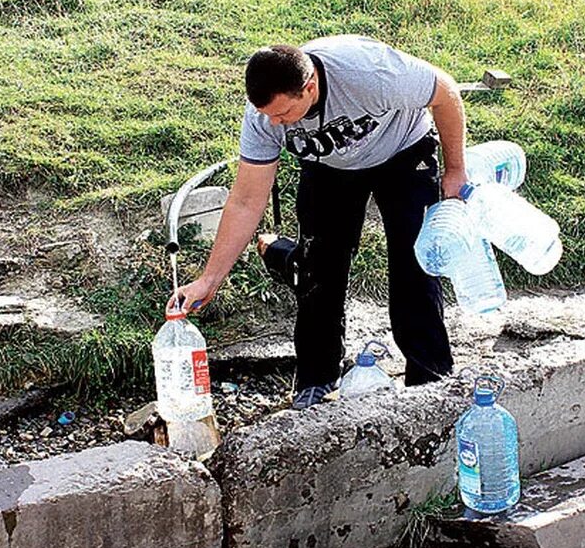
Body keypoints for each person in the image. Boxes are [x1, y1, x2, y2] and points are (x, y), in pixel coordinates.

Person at [168, 35, 469, 409]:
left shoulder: (369, 73)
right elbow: (246, 201)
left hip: (403, 151)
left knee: (415, 265)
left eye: (282, 115)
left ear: (309, 88)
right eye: (267, 116)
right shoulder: (264, 118)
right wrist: (209, 279)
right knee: (318, 270)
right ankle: (317, 378)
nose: (274, 123)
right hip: (329, 166)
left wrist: (456, 168)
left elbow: (446, 93)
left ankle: (430, 381)